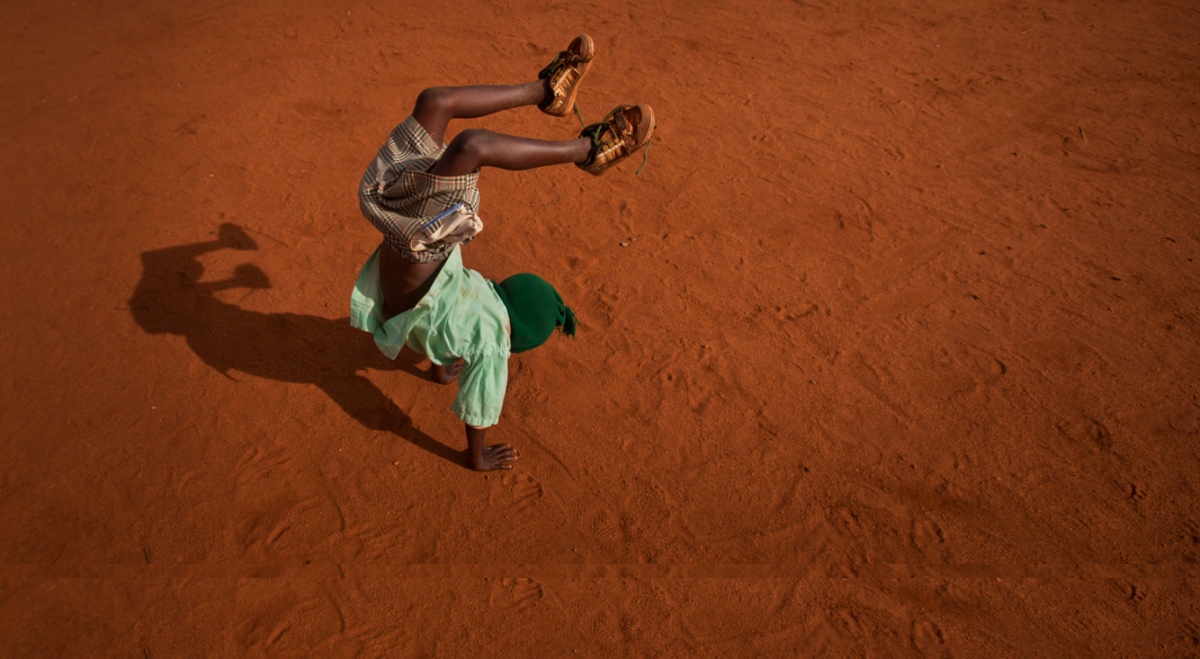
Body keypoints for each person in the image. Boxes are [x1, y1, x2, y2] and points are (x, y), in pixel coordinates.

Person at [351, 35, 655, 470]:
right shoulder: (483, 310)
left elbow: (479, 398)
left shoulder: (493, 339)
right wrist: (440, 369)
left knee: (472, 145)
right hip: (409, 248)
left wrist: (476, 456)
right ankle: (548, 92)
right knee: (434, 101)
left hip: (413, 248)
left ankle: (588, 151)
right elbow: (450, 345)